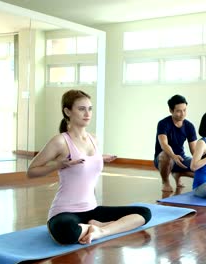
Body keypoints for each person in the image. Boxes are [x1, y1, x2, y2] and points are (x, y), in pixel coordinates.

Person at [27, 89, 151, 245]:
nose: (87, 113)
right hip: (65, 211)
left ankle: (99, 230)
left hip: (92, 209)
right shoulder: (60, 141)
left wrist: (99, 158)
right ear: (67, 111)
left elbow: (87, 163)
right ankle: (97, 228)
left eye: (90, 108)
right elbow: (31, 171)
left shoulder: (94, 139)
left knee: (144, 213)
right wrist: (59, 164)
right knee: (67, 231)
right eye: (81, 109)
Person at [154, 94, 197, 192]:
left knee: (202, 171)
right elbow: (164, 144)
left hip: (181, 158)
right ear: (171, 110)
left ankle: (178, 173)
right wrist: (173, 156)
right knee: (166, 156)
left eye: (184, 110)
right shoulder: (163, 124)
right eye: (178, 111)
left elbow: (194, 151)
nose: (182, 114)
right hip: (163, 159)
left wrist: (201, 163)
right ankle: (165, 182)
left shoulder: (189, 126)